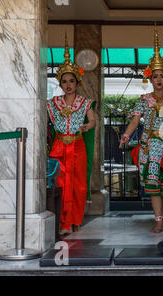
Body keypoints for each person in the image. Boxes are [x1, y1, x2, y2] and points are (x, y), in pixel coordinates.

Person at [119, 24, 163, 233]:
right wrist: (126, 136)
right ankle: (158, 220)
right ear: (150, 78)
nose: (159, 79)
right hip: (149, 146)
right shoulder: (142, 100)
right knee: (153, 184)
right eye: (155, 76)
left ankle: (161, 212)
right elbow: (135, 122)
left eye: (162, 76)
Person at [47, 35, 96, 236]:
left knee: (78, 186)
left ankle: (75, 220)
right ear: (60, 83)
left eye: (72, 81)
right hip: (59, 146)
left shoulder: (85, 103)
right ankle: (64, 222)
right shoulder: (51, 103)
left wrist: (86, 127)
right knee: (61, 184)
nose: (68, 84)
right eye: (64, 81)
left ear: (78, 83)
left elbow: (93, 121)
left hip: (77, 146)